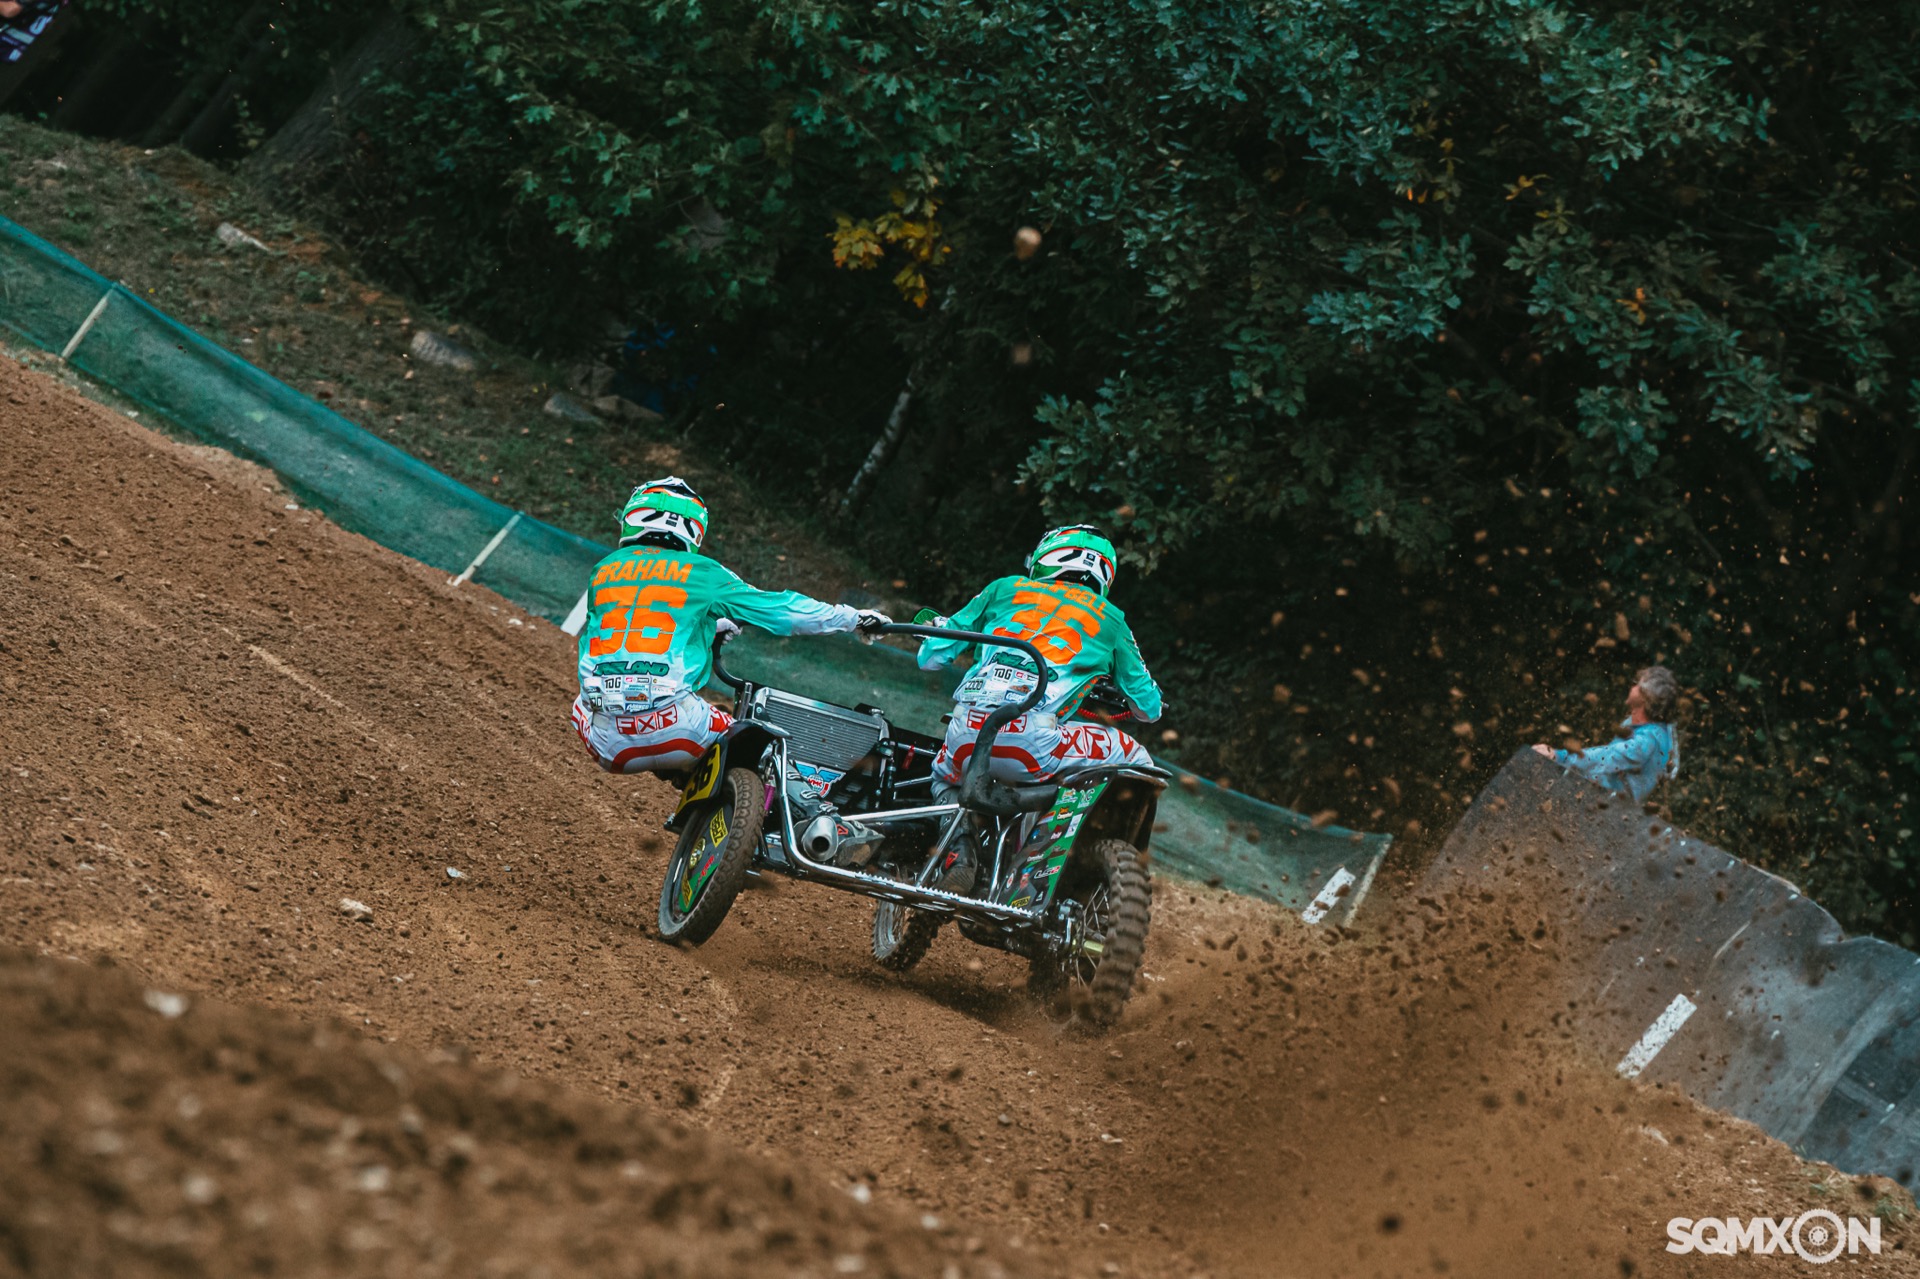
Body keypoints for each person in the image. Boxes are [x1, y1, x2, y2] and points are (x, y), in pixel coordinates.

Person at [571, 476, 888, 775]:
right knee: (757, 744)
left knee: (579, 705)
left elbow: (640, 619)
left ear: (635, 515)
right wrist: (852, 618)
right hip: (679, 729)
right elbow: (782, 611)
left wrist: (713, 626)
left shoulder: (603, 570)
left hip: (607, 744)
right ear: (693, 528)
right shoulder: (703, 572)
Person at [917, 525, 1164, 888]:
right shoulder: (1111, 619)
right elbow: (1148, 709)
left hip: (966, 735)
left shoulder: (1005, 588)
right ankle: (1035, 865)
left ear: (1046, 558)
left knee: (941, 774)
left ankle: (960, 849)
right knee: (1139, 759)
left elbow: (930, 659)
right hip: (1034, 745)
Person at [1532, 665, 1681, 803]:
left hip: (1614, 811)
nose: (1632, 687)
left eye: (1637, 684)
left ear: (1646, 696)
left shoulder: (1649, 739)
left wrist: (1559, 756)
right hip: (1604, 803)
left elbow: (1608, 757)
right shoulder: (1640, 726)